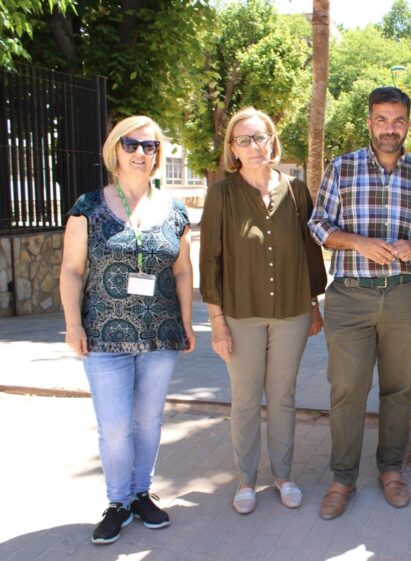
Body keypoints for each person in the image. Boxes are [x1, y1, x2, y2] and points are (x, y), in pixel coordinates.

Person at [308, 86, 411, 520]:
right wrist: (358, 243)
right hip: (351, 295)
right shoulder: (342, 168)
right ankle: (342, 477)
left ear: (409, 124)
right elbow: (318, 225)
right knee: (347, 389)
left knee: (398, 387)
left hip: (406, 294)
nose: (390, 128)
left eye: (398, 120)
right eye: (382, 120)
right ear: (370, 123)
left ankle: (391, 470)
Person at [60, 116, 196, 544]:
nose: (141, 153)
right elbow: (71, 270)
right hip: (104, 335)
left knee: (149, 420)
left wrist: (188, 323)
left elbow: (182, 271)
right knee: (116, 425)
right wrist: (72, 324)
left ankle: (141, 493)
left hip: (160, 334)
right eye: (132, 144)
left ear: (158, 155)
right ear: (115, 150)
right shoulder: (88, 206)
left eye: (150, 146)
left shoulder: (174, 210)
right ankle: (118, 501)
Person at [199, 107, 327, 515]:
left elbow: (310, 252)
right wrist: (217, 323)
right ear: (232, 149)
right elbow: (210, 261)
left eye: (260, 137)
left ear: (272, 141)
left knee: (284, 396)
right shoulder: (222, 194)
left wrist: (313, 304)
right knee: (246, 398)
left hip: (292, 310)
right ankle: (247, 480)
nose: (254, 147)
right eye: (244, 140)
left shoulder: (295, 190)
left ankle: (284, 476)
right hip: (240, 313)